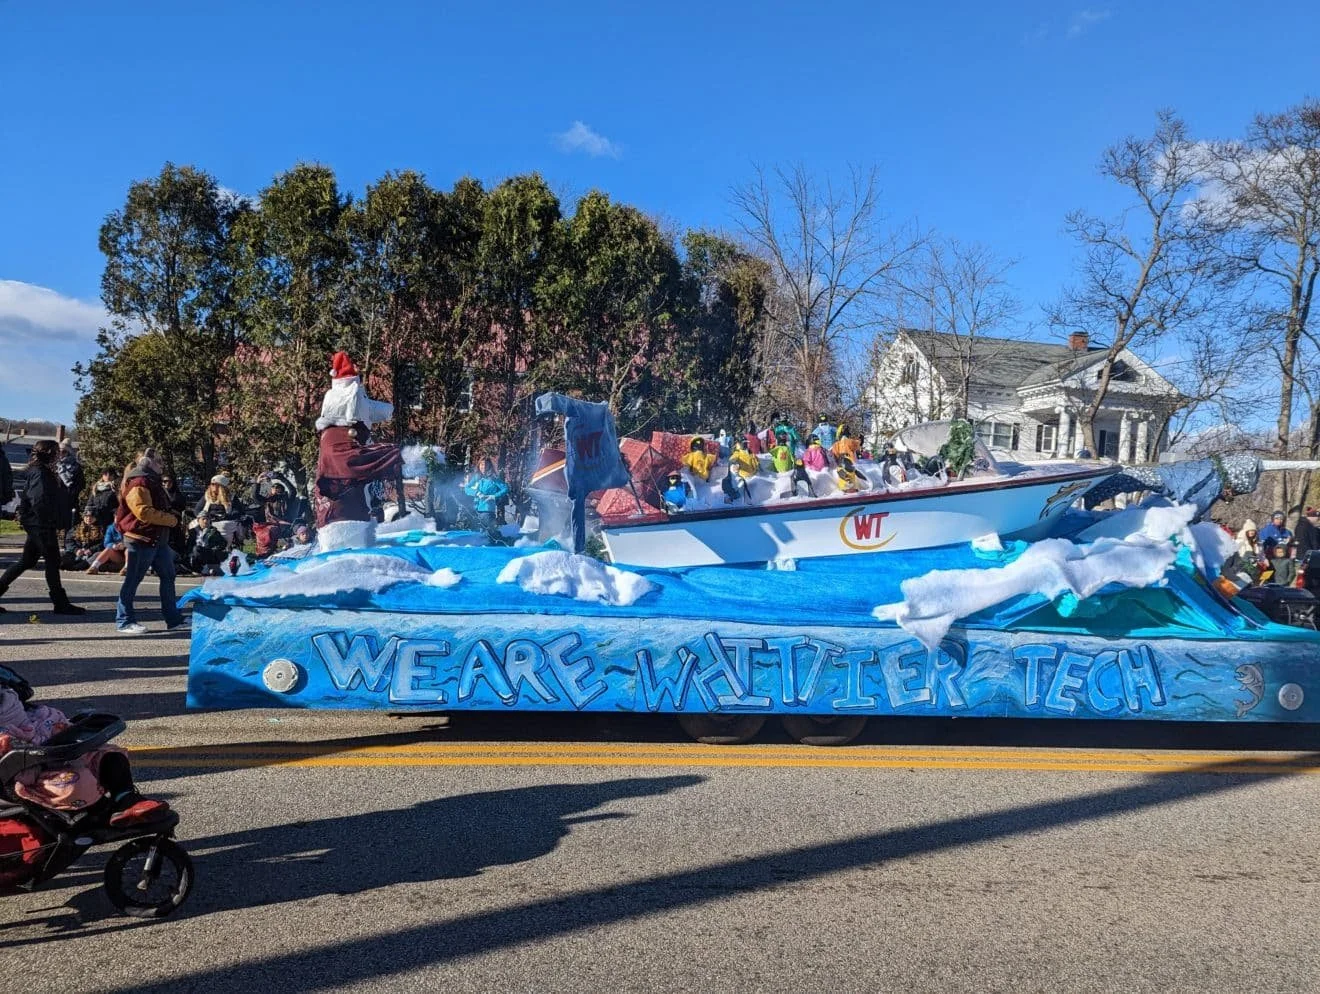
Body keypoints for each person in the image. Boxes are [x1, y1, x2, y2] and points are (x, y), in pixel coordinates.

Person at [0, 684, 167, 824]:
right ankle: (102, 810)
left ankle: (126, 801)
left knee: (110, 755)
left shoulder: (11, 699)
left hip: (45, 746)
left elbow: (25, 699)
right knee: (77, 779)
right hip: (21, 773)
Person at [0, 440, 84, 615]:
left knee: (27, 561)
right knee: (52, 561)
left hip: (37, 524)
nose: (57, 457)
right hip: (41, 525)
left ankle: (60, 603)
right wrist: (49, 520)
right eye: (55, 453)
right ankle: (60, 603)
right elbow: (38, 500)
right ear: (49, 454)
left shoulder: (40, 471)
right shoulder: (40, 473)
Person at [115, 449, 186, 636]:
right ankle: (124, 620)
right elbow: (143, 512)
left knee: (168, 576)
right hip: (140, 538)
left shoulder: (151, 481)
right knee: (133, 579)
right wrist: (171, 520)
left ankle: (173, 619)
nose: (162, 465)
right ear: (148, 462)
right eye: (159, 461)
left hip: (156, 539)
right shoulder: (139, 482)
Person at [463, 459, 509, 534]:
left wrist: (493, 496)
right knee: (478, 535)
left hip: (487, 510)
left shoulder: (493, 478)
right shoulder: (477, 477)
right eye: (481, 464)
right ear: (479, 466)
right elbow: (466, 488)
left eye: (485, 465)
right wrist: (476, 493)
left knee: (488, 534)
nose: (483, 467)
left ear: (489, 466)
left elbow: (505, 488)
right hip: (476, 510)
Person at [55, 439, 86, 522]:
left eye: (63, 452)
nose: (60, 454)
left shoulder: (76, 467)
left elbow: (81, 485)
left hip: (70, 502)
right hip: (55, 502)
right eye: (59, 451)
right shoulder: (54, 466)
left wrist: (71, 494)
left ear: (68, 453)